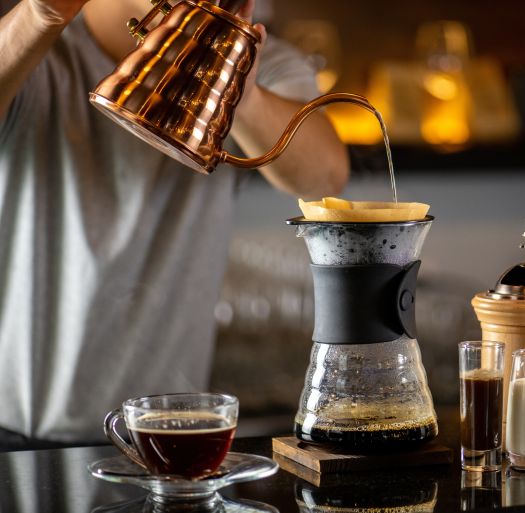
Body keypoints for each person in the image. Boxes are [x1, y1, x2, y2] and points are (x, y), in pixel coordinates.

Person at [0, 0, 349, 449]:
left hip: (167, 427)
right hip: (12, 430)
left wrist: (233, 84)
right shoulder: (36, 46)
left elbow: (323, 176)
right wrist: (40, 15)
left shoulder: (268, 63)